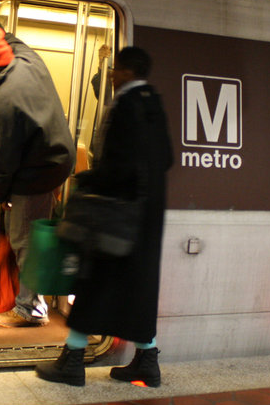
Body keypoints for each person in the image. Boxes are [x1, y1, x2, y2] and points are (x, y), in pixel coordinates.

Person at [35, 46, 173, 387]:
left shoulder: (126, 105)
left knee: (94, 284)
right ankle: (147, 362)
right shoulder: (154, 103)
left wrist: (87, 178)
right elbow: (166, 158)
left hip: (115, 218)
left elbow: (120, 167)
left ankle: (72, 361)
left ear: (125, 72)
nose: (111, 77)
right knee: (137, 291)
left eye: (114, 71)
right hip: (146, 220)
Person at [0, 0, 74, 328]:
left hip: (38, 169)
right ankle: (27, 298)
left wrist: (2, 196)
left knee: (24, 238)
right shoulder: (22, 55)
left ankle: (31, 309)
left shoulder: (3, 102)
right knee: (26, 232)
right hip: (55, 155)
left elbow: (4, 160)